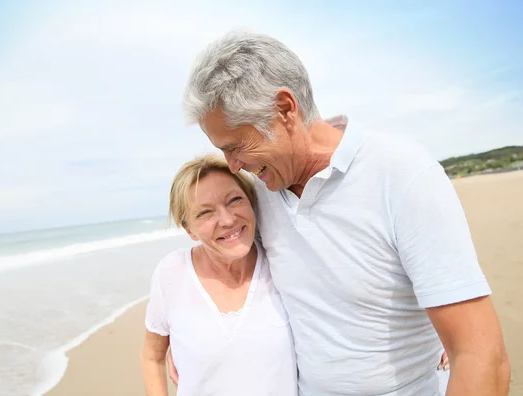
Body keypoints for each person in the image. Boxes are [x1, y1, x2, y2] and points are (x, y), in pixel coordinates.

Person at [177, 30, 510, 395]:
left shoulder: (401, 176)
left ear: (285, 110)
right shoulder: (259, 194)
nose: (234, 165)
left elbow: (481, 353)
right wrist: (179, 341)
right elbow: (222, 262)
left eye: (237, 146)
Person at [140, 154, 297, 395]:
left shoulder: (281, 262)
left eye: (234, 200)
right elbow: (152, 357)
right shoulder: (172, 272)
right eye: (205, 213)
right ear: (189, 229)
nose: (227, 219)